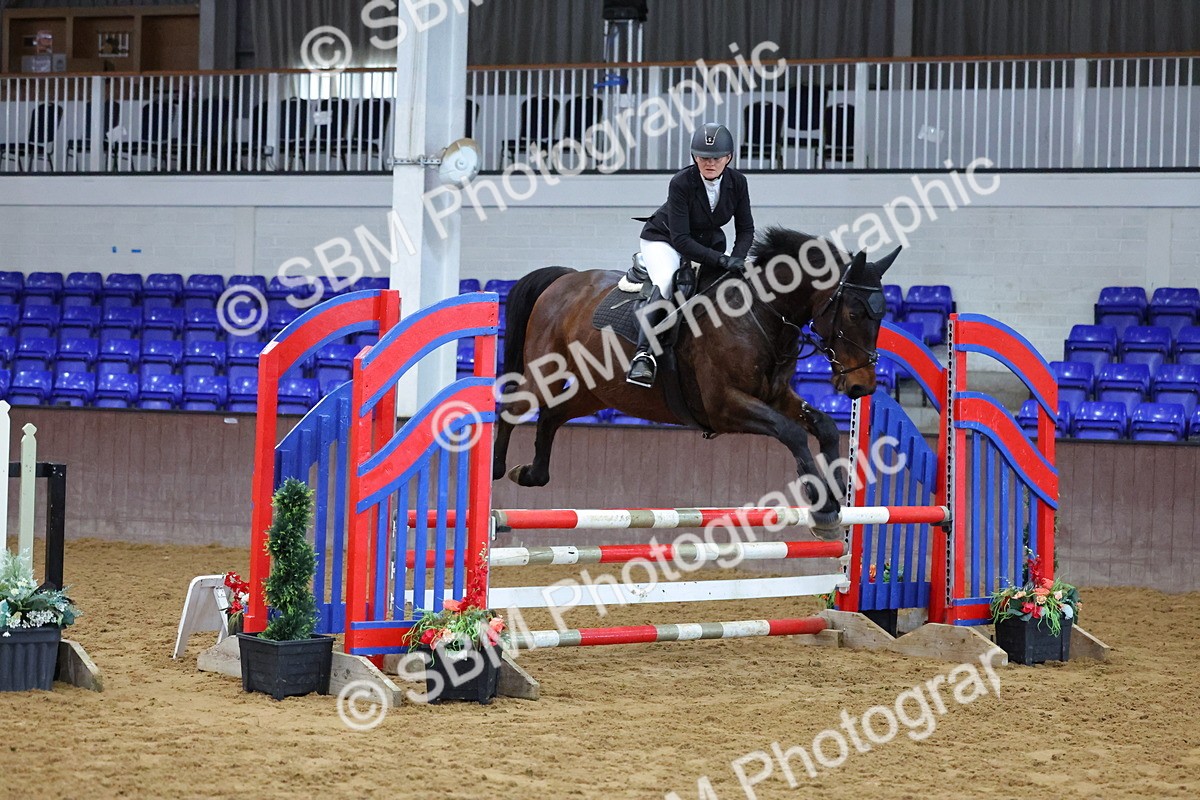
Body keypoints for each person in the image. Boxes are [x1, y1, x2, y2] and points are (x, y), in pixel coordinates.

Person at [627, 122, 755, 387]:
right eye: (703, 157)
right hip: (664, 240)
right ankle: (644, 355)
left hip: (706, 243)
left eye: (716, 158)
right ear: (694, 157)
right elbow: (681, 239)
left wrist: (738, 259)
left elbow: (746, 229)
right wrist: (721, 260)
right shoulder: (682, 182)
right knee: (667, 282)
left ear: (728, 157)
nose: (709, 163)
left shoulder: (738, 182)